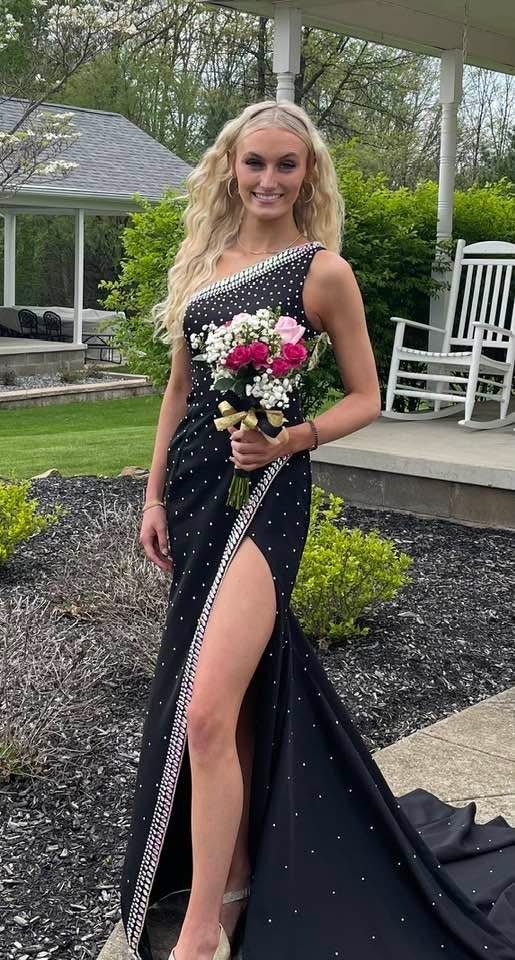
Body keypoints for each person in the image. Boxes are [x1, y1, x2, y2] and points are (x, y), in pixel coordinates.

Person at [120, 101, 515, 960]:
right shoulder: (203, 264)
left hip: (267, 497)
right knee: (237, 704)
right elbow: (179, 392)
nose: (267, 179)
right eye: (254, 162)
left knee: (206, 711)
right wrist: (152, 497)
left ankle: (198, 935)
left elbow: (365, 397)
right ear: (231, 165)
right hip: (191, 494)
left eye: (285, 166)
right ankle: (231, 879)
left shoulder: (321, 270)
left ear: (309, 175)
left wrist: (288, 438)